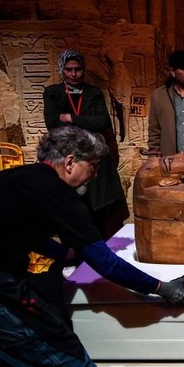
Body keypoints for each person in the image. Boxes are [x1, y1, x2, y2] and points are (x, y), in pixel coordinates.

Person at [0, 126, 184, 367]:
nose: (95, 176)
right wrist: (161, 287)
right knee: (62, 357)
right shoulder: (56, 193)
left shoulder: (17, 178)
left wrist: (64, 254)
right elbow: (105, 263)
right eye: (93, 166)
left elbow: (18, 230)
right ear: (69, 163)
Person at [44, 49, 129, 240]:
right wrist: (84, 121)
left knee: (100, 209)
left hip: (94, 157)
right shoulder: (53, 93)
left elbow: (102, 122)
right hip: (69, 157)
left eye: (78, 69)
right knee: (73, 209)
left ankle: (102, 253)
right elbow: (53, 124)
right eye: (69, 70)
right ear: (62, 71)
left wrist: (70, 117)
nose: (74, 74)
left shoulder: (93, 93)